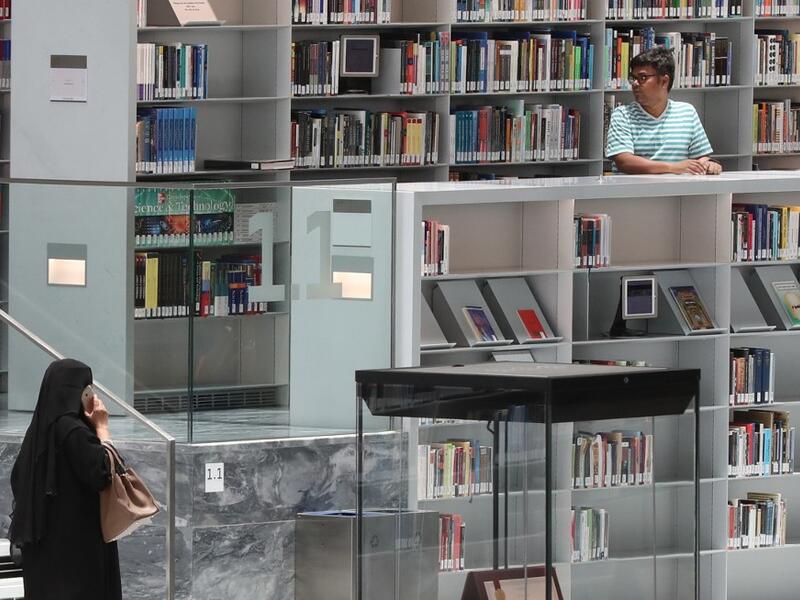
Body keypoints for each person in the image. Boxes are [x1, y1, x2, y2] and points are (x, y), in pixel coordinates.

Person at [8, 358, 121, 600]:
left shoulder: (38, 433)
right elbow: (103, 472)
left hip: (43, 556)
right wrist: (102, 429)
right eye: (88, 389)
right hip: (78, 556)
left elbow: (17, 479)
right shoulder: (74, 431)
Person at [606, 46, 723, 175]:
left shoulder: (687, 113)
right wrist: (672, 168)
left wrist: (709, 164)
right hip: (633, 193)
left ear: (664, 81)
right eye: (633, 78)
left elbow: (700, 157)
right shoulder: (623, 115)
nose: (635, 84)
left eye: (642, 77)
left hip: (678, 192)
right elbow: (625, 162)